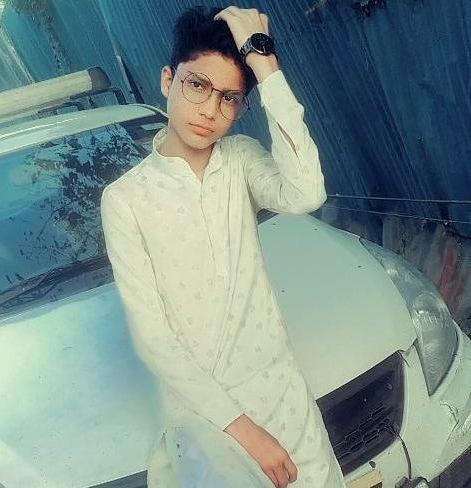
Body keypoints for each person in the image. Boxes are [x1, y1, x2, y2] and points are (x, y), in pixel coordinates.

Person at [100, 5, 346, 487]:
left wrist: (264, 62)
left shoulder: (239, 160)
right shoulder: (126, 200)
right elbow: (154, 337)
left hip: (283, 400)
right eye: (197, 85)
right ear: (168, 80)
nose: (210, 111)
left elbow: (306, 192)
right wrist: (247, 434)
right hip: (206, 421)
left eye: (229, 98)